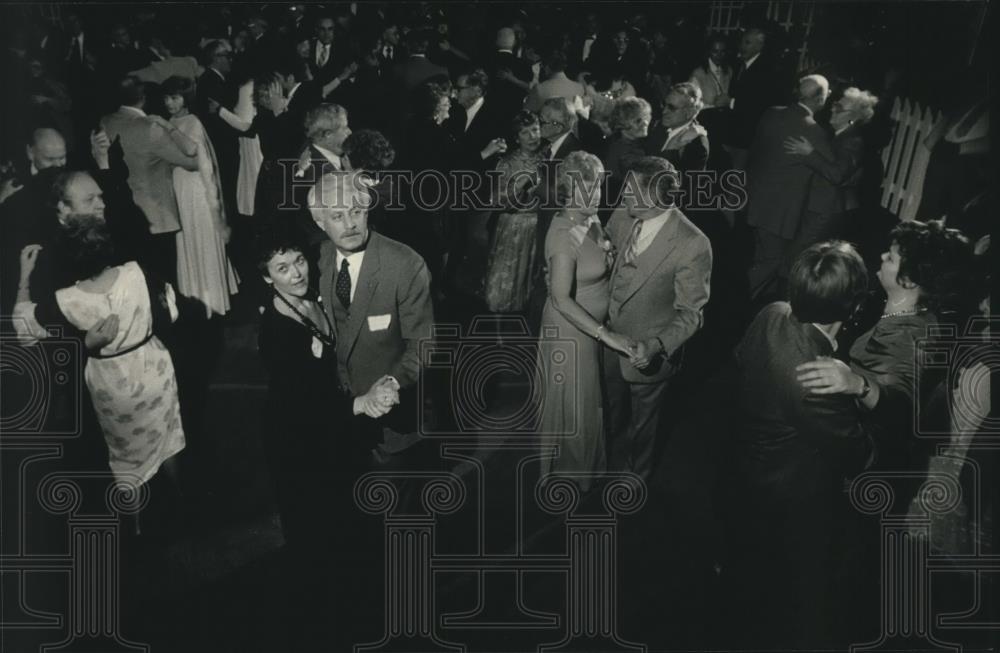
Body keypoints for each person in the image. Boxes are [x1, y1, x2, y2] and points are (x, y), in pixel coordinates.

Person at [726, 240, 875, 648]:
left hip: (747, 464)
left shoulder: (770, 313)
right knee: (793, 592)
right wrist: (863, 390)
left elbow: (742, 359)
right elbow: (856, 452)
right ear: (853, 306)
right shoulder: (817, 380)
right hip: (791, 492)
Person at [14, 205, 185, 491]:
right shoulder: (136, 271)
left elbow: (24, 330)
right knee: (169, 438)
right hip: (155, 372)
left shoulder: (64, 300)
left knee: (126, 460)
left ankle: (136, 526)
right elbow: (172, 311)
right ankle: (181, 498)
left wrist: (24, 277)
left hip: (112, 387)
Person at [256, 226, 398, 561]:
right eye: (282, 268)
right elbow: (303, 406)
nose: (296, 274)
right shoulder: (278, 333)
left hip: (328, 427)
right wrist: (361, 404)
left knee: (343, 515)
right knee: (316, 528)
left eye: (299, 261)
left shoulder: (311, 297)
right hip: (297, 437)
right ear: (267, 278)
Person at [795, 220, 974, 468]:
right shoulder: (904, 312)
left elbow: (901, 404)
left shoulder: (910, 337)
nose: (881, 256)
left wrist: (858, 385)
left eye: (890, 258)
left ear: (909, 281)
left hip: (861, 459)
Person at [309, 172, 434, 477]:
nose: (350, 224)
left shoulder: (405, 264)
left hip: (392, 421)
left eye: (356, 212)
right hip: (338, 416)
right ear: (319, 222)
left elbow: (424, 344)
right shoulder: (314, 260)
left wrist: (394, 382)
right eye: (337, 216)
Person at [602, 157, 712, 481]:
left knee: (642, 426)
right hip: (606, 340)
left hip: (646, 354)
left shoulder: (693, 243)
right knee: (608, 411)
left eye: (630, 190)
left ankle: (637, 479)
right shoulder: (623, 216)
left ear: (653, 197)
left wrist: (657, 345)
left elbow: (691, 313)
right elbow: (605, 252)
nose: (622, 195)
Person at [537, 151, 633, 492]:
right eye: (587, 190)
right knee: (578, 406)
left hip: (590, 328)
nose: (596, 197)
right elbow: (561, 299)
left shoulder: (590, 218)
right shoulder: (564, 236)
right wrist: (606, 335)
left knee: (588, 403)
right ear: (567, 190)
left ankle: (582, 472)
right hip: (571, 331)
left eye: (598, 188)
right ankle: (573, 485)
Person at [100, 76, 199, 284]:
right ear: (144, 99)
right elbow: (192, 162)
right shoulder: (149, 127)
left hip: (122, 215)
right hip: (157, 217)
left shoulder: (106, 121)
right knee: (163, 281)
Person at [746, 74, 832, 301]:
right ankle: (738, 299)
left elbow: (755, 153)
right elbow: (834, 172)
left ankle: (757, 305)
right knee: (772, 262)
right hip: (780, 211)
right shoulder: (814, 131)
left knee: (760, 256)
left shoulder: (771, 113)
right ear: (820, 99)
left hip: (756, 200)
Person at [162, 76, 238, 318]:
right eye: (167, 98)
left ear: (186, 98)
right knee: (188, 236)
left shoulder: (192, 122)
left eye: (174, 97)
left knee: (200, 236)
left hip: (195, 189)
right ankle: (197, 296)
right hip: (179, 186)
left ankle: (211, 299)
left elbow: (198, 163)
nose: (170, 103)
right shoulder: (170, 121)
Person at [783, 87, 879, 259]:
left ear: (854, 117)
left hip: (825, 210)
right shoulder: (839, 135)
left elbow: (837, 174)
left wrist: (810, 153)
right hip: (821, 206)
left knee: (798, 257)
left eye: (840, 108)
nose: (833, 109)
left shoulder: (852, 140)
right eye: (835, 104)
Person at [484, 111, 544, 313]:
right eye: (525, 133)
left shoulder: (548, 157)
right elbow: (498, 202)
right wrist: (524, 183)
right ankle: (498, 334)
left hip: (539, 225)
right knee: (504, 281)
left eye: (535, 130)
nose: (532, 137)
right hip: (514, 227)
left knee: (530, 282)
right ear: (517, 138)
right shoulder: (507, 163)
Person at [643, 82, 709, 177]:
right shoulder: (657, 125)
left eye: (672, 108)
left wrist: (670, 150)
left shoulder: (697, 145)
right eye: (664, 104)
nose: (664, 111)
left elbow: (679, 186)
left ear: (689, 112)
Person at [603, 96, 651, 206]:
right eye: (638, 120)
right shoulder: (624, 151)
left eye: (646, 118)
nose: (645, 123)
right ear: (622, 123)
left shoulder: (621, 140)